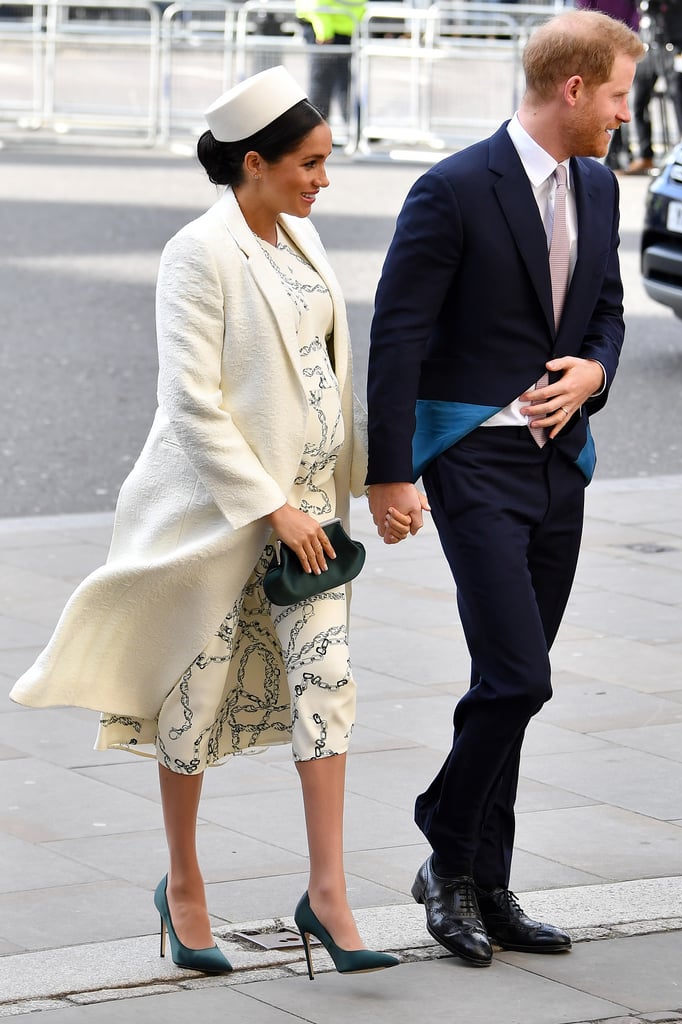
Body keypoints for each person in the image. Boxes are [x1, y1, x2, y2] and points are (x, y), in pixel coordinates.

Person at [9, 66, 405, 981]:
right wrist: (269, 507)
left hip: (312, 520)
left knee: (328, 686)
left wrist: (377, 478)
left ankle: (330, 897)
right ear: (254, 163)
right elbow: (190, 405)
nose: (322, 181)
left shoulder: (304, 245)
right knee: (194, 705)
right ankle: (182, 886)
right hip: (224, 521)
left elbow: (326, 377)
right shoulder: (199, 250)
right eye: (308, 164)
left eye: (327, 162)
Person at [366, 11, 644, 967]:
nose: (623, 112)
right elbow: (397, 334)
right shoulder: (451, 189)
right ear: (573, 90)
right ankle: (448, 851)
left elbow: (606, 313)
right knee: (521, 673)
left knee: (507, 689)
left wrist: (594, 373)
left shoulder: (600, 187)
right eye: (616, 94)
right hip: (471, 460)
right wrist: (391, 471)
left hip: (559, 462)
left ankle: (488, 878)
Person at [625, 0, 682, 174]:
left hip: (675, 42)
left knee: (679, 99)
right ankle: (644, 156)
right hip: (648, 43)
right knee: (637, 101)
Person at [575, 0, 641, 169]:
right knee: (601, 104)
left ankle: (615, 153)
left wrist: (630, 38)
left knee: (617, 104)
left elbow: (635, 11)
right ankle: (599, 156)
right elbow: (584, 11)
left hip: (623, 49)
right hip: (596, 50)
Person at [296, 0, 366, 126]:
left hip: (339, 25)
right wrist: (324, 30)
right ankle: (316, 131)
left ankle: (354, 130)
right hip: (327, 28)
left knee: (342, 83)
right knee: (323, 85)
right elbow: (316, 4)